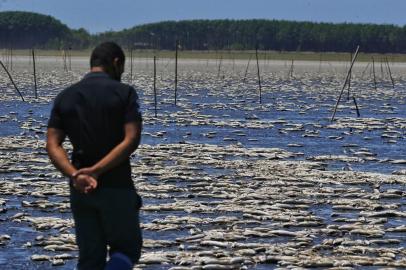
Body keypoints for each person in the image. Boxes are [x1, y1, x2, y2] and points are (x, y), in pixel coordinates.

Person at [46, 42, 143, 270]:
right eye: (122, 67)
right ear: (116, 63)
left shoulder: (65, 96)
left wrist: (75, 175)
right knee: (126, 251)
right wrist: (97, 171)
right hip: (117, 186)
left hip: (81, 190)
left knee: (90, 259)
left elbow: (52, 144)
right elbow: (131, 139)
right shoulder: (125, 93)